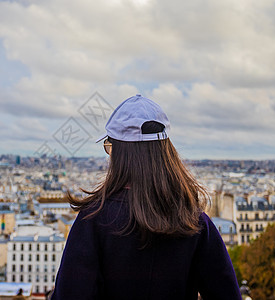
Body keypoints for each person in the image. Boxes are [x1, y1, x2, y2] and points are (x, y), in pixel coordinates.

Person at [51, 95, 241, 299]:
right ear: (166, 152)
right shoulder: (194, 221)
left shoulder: (93, 221)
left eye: (109, 146)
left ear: (119, 153)